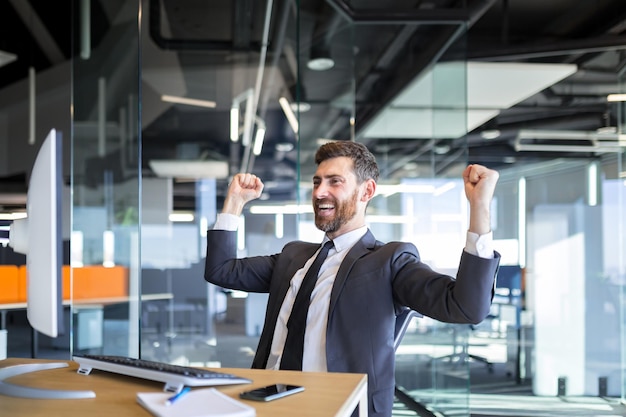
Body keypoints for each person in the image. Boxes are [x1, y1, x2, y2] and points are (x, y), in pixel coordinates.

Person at [204, 140, 501, 417]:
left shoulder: (389, 261)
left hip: (339, 409)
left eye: (335, 182)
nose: (320, 192)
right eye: (317, 182)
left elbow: (466, 307)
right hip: (267, 404)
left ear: (366, 191)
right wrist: (233, 203)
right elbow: (221, 270)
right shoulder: (294, 256)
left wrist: (480, 208)